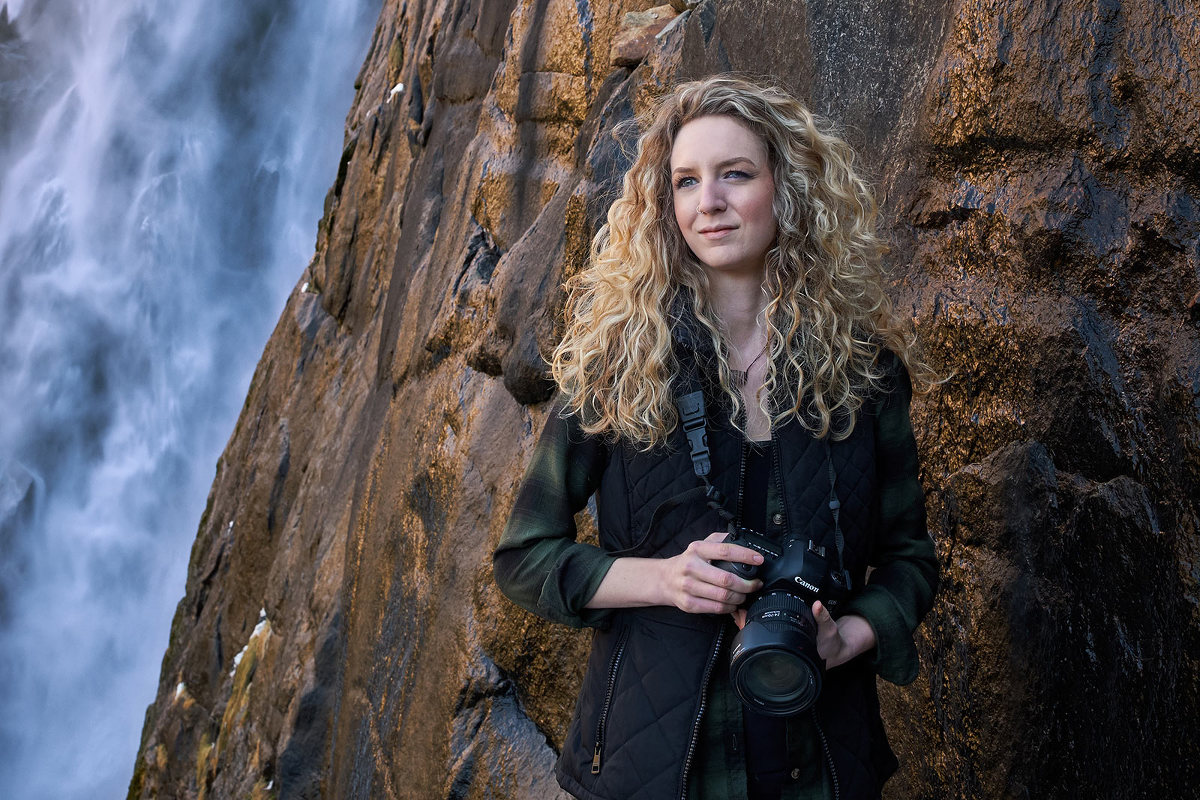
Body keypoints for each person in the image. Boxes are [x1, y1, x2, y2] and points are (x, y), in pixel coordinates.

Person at [492, 74, 939, 800]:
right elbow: (523, 556)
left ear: (784, 189)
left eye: (736, 174)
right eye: (687, 182)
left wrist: (845, 638)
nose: (710, 202)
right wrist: (662, 580)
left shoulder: (867, 374)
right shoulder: (618, 364)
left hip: (819, 765)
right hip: (649, 773)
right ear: (665, 206)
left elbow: (909, 563)